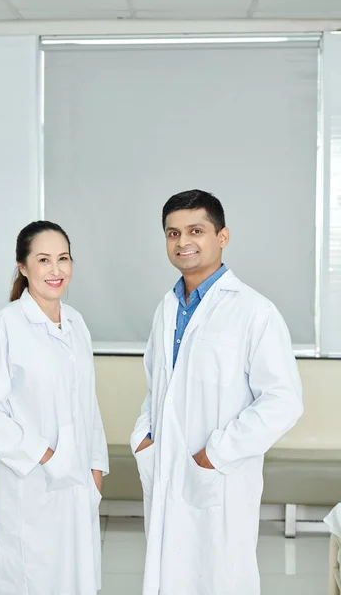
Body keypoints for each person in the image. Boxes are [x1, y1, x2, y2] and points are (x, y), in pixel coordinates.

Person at [131, 189, 303, 595]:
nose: (183, 242)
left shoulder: (254, 311)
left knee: (220, 576)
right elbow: (158, 386)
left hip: (218, 476)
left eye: (196, 230)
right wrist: (144, 437)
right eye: (173, 234)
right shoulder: (166, 308)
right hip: (167, 465)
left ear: (222, 237)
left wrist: (216, 454)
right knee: (168, 575)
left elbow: (283, 400)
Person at [0, 220, 108, 595]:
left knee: (75, 578)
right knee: (31, 578)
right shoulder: (7, 326)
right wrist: (43, 454)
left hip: (77, 481)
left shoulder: (76, 324)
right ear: (24, 267)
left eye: (63, 259)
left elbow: (86, 402)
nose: (56, 269)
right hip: (31, 482)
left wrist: (96, 465)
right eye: (44, 259)